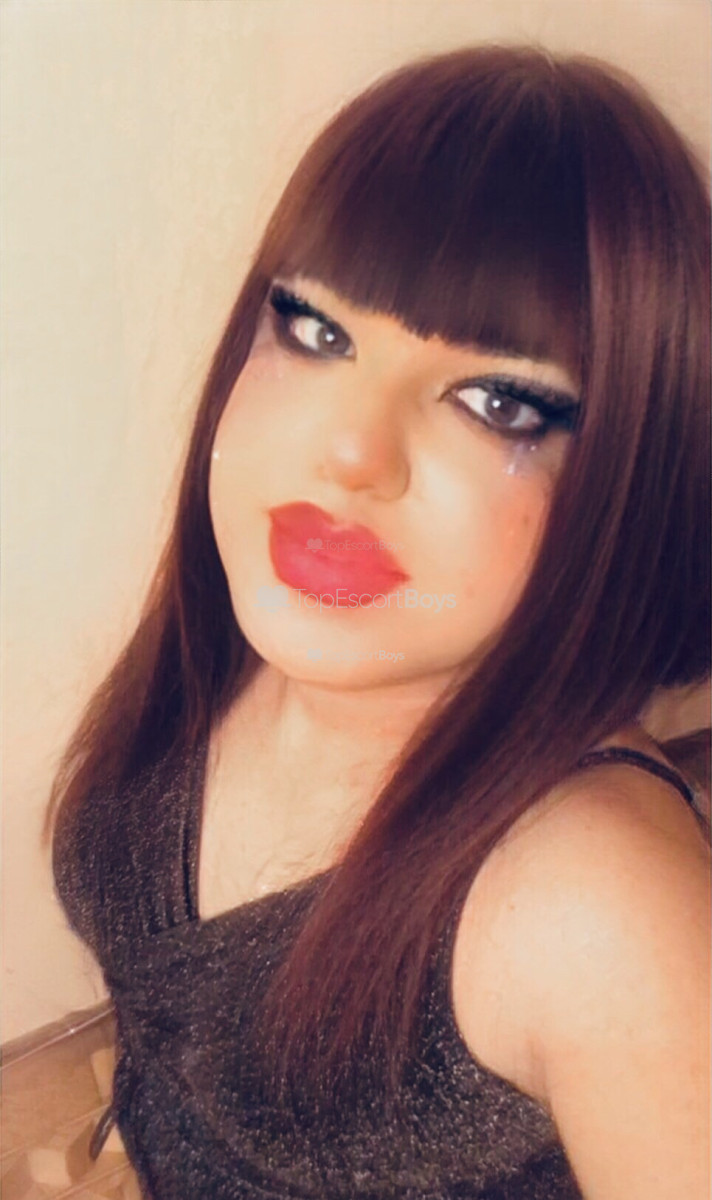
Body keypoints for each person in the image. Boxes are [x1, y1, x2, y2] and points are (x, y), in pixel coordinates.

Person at [46, 44, 711, 1199]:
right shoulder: (233, 640)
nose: (349, 452)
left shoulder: (603, 908)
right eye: (316, 331)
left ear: (629, 474)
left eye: (497, 402)